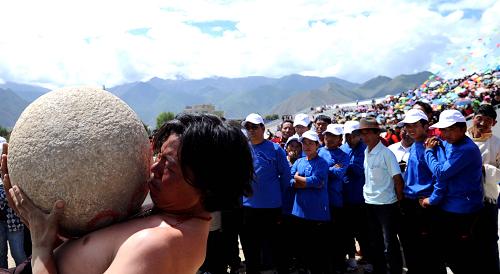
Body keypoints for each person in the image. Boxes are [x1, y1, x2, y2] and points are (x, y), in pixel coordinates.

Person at [0, 113, 254, 274]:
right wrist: (37, 224)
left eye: (169, 167)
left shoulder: (158, 245)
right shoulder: (168, 214)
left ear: (208, 185)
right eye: (158, 156)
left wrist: (41, 248)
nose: (153, 167)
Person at [420, 109, 484, 274]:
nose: (446, 134)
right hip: (451, 205)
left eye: (451, 129)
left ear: (463, 129)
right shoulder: (450, 142)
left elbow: (441, 172)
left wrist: (428, 152)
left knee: (460, 255)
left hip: (463, 208)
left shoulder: (466, 150)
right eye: (443, 129)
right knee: (450, 250)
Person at [240, 113, 291, 274]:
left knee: (277, 246)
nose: (251, 130)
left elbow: (286, 177)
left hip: (272, 207)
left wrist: (278, 197)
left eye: (254, 127)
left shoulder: (275, 149)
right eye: (247, 127)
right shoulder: (242, 150)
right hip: (248, 208)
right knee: (250, 248)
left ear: (263, 128)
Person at [397, 109, 446, 274]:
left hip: (424, 204)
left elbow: (441, 176)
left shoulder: (433, 145)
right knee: (414, 248)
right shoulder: (415, 145)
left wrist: (431, 199)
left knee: (430, 252)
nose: (409, 129)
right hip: (411, 203)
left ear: (426, 126)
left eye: (414, 125)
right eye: (407, 126)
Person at [358, 117, 404, 274]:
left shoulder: (386, 153)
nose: (364, 137)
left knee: (390, 241)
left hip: (386, 204)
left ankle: (396, 269)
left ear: (377, 134)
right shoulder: (366, 151)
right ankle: (380, 269)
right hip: (370, 201)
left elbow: (397, 179)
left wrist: (399, 201)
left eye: (368, 133)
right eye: (362, 134)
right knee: (375, 240)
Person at [466, 104, 500, 274]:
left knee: (489, 240)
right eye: (479, 118)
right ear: (473, 118)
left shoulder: (497, 144)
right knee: (468, 241)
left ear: (493, 123)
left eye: (488, 120)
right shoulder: (461, 139)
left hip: (487, 199)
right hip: (463, 200)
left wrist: (484, 169)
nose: (482, 123)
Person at [289, 130, 330, 274]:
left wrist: (298, 179)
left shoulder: (322, 162)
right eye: (304, 143)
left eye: (310, 143)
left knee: (317, 248)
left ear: (317, 145)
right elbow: (290, 179)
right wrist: (304, 182)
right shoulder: (299, 161)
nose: (306, 146)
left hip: (317, 211)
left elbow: (317, 181)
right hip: (299, 211)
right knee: (302, 246)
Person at [318, 124, 349, 273]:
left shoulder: (343, 155)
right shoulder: (319, 151)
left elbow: (339, 174)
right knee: (324, 238)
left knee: (338, 237)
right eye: (326, 135)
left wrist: (323, 171)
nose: (328, 139)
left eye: (332, 136)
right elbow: (317, 172)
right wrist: (330, 169)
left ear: (339, 139)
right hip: (320, 202)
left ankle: (339, 266)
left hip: (336, 201)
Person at [340, 121, 369, 272]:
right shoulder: (343, 148)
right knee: (347, 231)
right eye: (349, 136)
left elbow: (359, 170)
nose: (352, 139)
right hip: (345, 197)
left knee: (363, 231)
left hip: (361, 197)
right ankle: (351, 258)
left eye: (355, 135)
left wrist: (344, 165)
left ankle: (368, 257)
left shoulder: (365, 149)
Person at [0, 144, 27, 269]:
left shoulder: (14, 172)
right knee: (1, 256)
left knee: (19, 255)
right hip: (2, 224)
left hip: (15, 223)